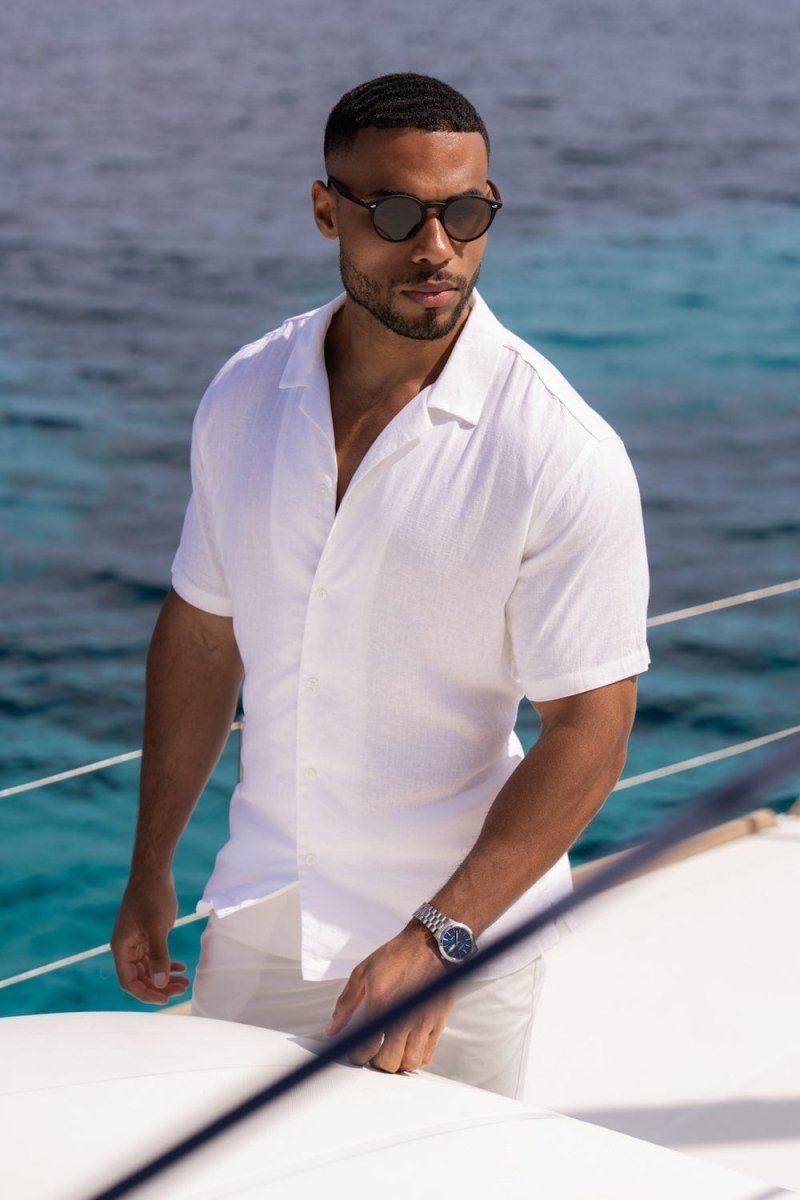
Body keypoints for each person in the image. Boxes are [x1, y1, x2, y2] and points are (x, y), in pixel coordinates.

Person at [111, 72, 649, 1100]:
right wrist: (150, 867)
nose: (436, 248)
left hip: (459, 944)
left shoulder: (558, 451)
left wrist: (441, 935)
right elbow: (203, 634)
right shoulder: (245, 393)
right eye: (398, 213)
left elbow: (591, 726)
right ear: (328, 210)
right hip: (265, 907)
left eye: (466, 213)